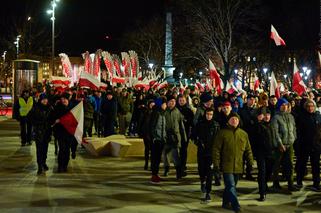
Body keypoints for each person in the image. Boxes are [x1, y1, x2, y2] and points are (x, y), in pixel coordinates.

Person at [212, 112, 254, 213]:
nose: (234, 121)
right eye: (232, 119)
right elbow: (216, 150)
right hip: (226, 165)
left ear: (239, 121)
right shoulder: (222, 133)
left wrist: (250, 163)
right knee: (231, 186)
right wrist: (216, 164)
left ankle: (225, 202)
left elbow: (248, 150)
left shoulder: (243, 134)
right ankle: (236, 206)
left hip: (238, 165)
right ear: (228, 121)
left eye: (236, 119)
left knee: (231, 186)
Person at [271, 98, 299, 192]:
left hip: (289, 144)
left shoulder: (291, 116)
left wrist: (293, 138)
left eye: (286, 105)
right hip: (280, 145)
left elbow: (294, 129)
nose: (284, 107)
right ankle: (275, 183)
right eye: (282, 105)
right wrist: (280, 143)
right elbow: (275, 132)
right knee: (277, 164)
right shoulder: (276, 117)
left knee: (290, 165)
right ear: (279, 106)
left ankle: (290, 184)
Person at [195, 108, 220, 203]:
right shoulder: (200, 124)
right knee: (202, 169)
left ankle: (208, 192)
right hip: (202, 151)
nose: (209, 116)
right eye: (207, 114)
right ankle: (202, 181)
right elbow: (194, 135)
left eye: (210, 114)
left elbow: (218, 138)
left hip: (211, 153)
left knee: (210, 173)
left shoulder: (216, 125)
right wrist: (198, 142)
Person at [296, 99, 321, 191]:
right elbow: (298, 132)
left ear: (314, 107)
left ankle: (316, 183)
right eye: (308, 106)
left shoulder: (318, 116)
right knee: (302, 164)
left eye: (312, 106)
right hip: (304, 145)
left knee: (316, 166)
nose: (310, 108)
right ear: (305, 107)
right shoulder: (301, 117)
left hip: (316, 145)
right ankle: (299, 181)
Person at [163, 95, 187, 179]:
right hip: (165, 136)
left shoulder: (177, 112)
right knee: (165, 155)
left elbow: (181, 125)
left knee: (175, 155)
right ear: (167, 102)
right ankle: (166, 169)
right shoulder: (164, 112)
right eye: (171, 101)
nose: (172, 103)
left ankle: (178, 172)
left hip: (176, 136)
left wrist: (184, 137)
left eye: (174, 101)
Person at [253, 108, 273, 201]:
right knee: (262, 172)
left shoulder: (272, 125)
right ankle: (262, 192)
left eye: (268, 115)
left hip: (271, 152)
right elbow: (255, 134)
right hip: (260, 152)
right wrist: (258, 121)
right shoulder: (258, 125)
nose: (267, 117)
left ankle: (264, 184)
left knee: (269, 171)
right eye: (265, 115)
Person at [30, 93, 53, 175]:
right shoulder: (35, 108)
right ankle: (40, 166)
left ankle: (44, 162)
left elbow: (52, 119)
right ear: (40, 100)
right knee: (39, 150)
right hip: (38, 132)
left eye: (46, 99)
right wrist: (39, 123)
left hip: (47, 132)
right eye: (43, 99)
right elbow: (31, 119)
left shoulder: (50, 108)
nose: (45, 101)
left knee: (45, 149)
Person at [50, 93, 73, 172]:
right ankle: (60, 166)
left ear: (68, 100)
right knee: (62, 149)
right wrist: (56, 120)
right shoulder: (57, 108)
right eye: (62, 99)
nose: (63, 101)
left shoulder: (72, 108)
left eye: (65, 99)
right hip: (60, 132)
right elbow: (53, 118)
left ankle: (65, 165)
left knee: (67, 150)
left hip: (69, 132)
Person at [239, 94, 257, 180]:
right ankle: (240, 172)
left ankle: (249, 173)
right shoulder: (242, 110)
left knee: (250, 155)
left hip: (253, 136)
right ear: (247, 100)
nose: (252, 101)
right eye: (251, 99)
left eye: (253, 99)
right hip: (244, 134)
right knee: (242, 154)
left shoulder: (256, 110)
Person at [150, 96, 167, 184]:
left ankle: (156, 174)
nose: (166, 105)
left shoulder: (162, 113)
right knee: (155, 158)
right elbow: (152, 126)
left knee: (157, 158)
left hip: (161, 139)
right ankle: (154, 176)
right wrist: (154, 137)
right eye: (164, 104)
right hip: (156, 139)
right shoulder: (156, 113)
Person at [176, 94, 194, 176]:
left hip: (185, 133)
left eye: (183, 100)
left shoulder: (188, 110)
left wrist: (185, 120)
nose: (181, 102)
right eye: (180, 100)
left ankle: (182, 167)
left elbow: (191, 122)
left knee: (183, 151)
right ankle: (178, 167)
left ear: (185, 101)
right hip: (175, 133)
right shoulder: (175, 109)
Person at [138, 99, 155, 170]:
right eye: (151, 103)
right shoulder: (145, 112)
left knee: (153, 150)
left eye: (153, 104)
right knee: (147, 149)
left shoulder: (156, 112)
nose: (152, 105)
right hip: (146, 133)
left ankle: (152, 164)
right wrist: (140, 132)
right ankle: (146, 163)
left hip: (153, 133)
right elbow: (140, 122)